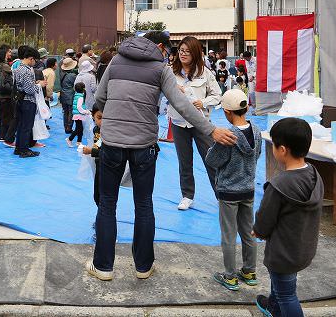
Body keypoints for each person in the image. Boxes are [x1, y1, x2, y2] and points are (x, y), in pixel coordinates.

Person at [87, 31, 237, 281]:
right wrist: (211, 129)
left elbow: (100, 98)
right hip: (144, 145)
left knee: (107, 204)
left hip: (112, 142)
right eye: (167, 49)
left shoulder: (116, 61)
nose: (168, 54)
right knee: (144, 204)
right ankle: (143, 267)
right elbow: (182, 104)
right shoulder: (160, 68)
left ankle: (103, 267)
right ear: (158, 46)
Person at [253, 118, 324, 317]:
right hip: (303, 247)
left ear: (282, 150)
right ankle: (273, 307)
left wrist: (258, 230)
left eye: (273, 145)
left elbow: (265, 218)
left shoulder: (279, 184)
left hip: (283, 252)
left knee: (287, 295)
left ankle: (278, 305)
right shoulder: (314, 174)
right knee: (281, 284)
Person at [205, 89, 262, 291]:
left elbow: (212, 160)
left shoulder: (227, 136)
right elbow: (257, 155)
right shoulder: (256, 131)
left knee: (229, 234)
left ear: (228, 112)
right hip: (248, 189)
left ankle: (229, 276)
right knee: (248, 232)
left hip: (229, 191)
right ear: (246, 108)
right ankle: (250, 270)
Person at [167, 36, 222, 211]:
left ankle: (220, 195)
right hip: (178, 122)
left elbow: (217, 95)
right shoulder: (170, 73)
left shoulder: (205, 73)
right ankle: (187, 196)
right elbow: (162, 94)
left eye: (187, 51)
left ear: (196, 53)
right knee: (185, 161)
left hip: (201, 123)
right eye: (181, 51)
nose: (183, 54)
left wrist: (203, 102)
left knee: (211, 159)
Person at [13, 46, 42, 158]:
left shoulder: (18, 69)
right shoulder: (27, 71)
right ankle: (24, 149)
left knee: (21, 126)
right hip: (28, 101)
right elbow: (29, 90)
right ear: (30, 58)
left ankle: (18, 148)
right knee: (27, 126)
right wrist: (38, 85)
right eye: (35, 60)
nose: (35, 62)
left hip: (20, 100)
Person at [81, 106, 103, 206]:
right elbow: (98, 144)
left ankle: (104, 217)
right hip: (99, 164)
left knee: (105, 195)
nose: (102, 122)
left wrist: (91, 151)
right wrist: (91, 149)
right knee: (97, 195)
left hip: (108, 166)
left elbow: (108, 151)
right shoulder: (96, 129)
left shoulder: (111, 132)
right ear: (93, 116)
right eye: (99, 117)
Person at [0, 46, 12, 131]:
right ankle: (3, 134)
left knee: (0, 113)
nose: (9, 54)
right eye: (8, 52)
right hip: (4, 94)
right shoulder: (4, 66)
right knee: (5, 116)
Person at [59, 57, 78, 135]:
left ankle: (65, 126)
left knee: (65, 111)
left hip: (63, 94)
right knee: (71, 111)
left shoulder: (61, 74)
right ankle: (69, 128)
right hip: (70, 94)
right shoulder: (73, 76)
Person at [66, 82, 90, 147]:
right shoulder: (80, 97)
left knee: (80, 128)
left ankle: (79, 142)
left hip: (78, 115)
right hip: (78, 115)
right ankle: (69, 139)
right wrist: (85, 111)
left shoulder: (77, 95)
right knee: (78, 129)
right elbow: (79, 107)